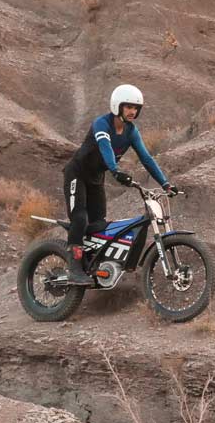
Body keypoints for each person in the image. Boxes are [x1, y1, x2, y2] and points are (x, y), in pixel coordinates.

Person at [61, 84, 178, 284]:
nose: (132, 111)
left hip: (96, 178)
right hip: (77, 174)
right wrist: (115, 171)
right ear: (118, 106)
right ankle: (74, 268)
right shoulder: (102, 124)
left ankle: (92, 264)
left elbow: (147, 159)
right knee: (80, 217)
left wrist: (166, 184)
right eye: (128, 107)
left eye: (136, 108)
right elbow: (105, 148)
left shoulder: (131, 132)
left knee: (98, 223)